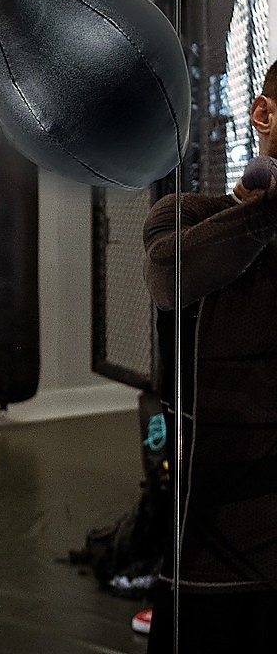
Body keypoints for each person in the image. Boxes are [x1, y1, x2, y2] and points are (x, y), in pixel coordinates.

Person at [143, 61, 277, 652]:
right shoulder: (189, 215)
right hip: (217, 564)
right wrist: (266, 203)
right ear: (263, 114)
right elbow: (168, 275)